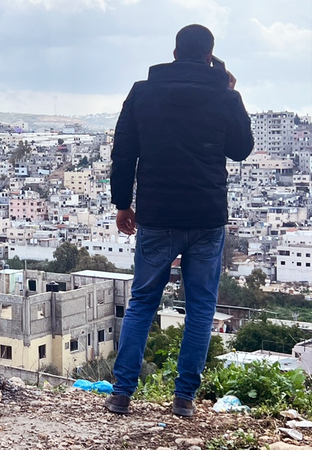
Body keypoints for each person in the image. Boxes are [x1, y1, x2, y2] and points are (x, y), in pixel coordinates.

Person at [106, 24, 253, 417]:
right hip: (206, 216)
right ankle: (183, 399)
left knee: (142, 302)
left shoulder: (143, 92)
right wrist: (232, 93)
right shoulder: (224, 95)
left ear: (174, 53)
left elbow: (124, 152)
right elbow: (241, 149)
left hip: (157, 214)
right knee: (201, 308)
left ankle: (122, 393)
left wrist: (123, 203)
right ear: (210, 56)